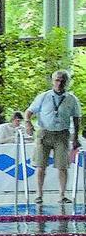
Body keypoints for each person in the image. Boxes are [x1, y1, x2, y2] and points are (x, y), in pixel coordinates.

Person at [25, 70, 82, 204]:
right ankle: (39, 195)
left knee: (63, 166)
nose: (59, 83)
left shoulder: (71, 99)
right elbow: (29, 111)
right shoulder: (43, 96)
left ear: (67, 82)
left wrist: (76, 137)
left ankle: (62, 195)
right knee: (40, 165)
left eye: (62, 81)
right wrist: (27, 123)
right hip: (44, 133)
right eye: (57, 80)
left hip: (62, 134)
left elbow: (76, 118)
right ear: (52, 81)